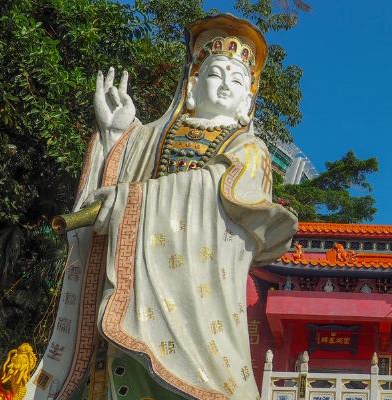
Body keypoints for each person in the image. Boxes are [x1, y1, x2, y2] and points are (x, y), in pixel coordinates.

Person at [24, 14, 297, 400]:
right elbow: (113, 181)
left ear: (247, 102)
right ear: (192, 85)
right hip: (129, 286)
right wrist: (115, 134)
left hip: (195, 300)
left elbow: (229, 192)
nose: (225, 84)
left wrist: (133, 200)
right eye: (215, 74)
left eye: (237, 81)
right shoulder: (149, 137)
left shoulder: (249, 149)